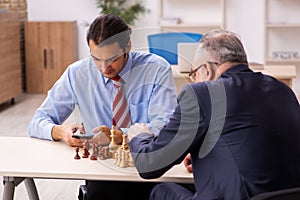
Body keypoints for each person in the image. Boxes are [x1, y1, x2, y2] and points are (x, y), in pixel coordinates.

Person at [128, 29, 300, 200]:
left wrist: (139, 136)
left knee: (161, 191)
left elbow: (149, 165)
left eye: (194, 74)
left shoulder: (204, 94)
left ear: (206, 69)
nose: (194, 80)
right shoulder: (283, 90)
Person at [28, 14, 177, 199]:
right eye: (96, 58)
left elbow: (166, 125)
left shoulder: (156, 69)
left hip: (149, 164)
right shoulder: (77, 73)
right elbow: (38, 121)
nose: (104, 67)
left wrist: (119, 135)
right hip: (103, 170)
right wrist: (61, 131)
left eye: (112, 59)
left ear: (127, 47)